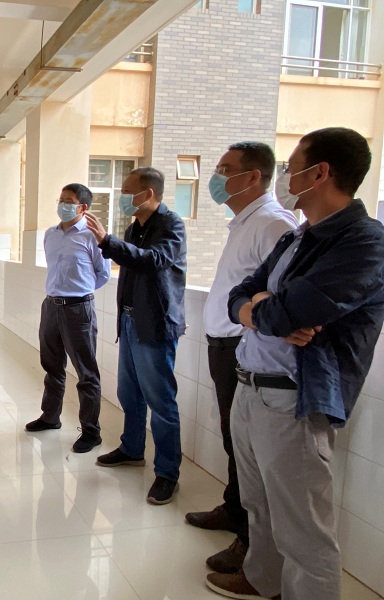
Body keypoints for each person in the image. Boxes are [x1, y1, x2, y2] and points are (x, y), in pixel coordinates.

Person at [207, 128, 384, 600]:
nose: (285, 176)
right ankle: (263, 580)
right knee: (259, 506)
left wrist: (264, 309)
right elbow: (239, 295)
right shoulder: (298, 236)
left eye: (291, 166)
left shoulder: (364, 242)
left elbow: (289, 313)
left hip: (293, 400)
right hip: (250, 387)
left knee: (304, 529)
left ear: (320, 173)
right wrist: (257, 308)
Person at [185, 143, 298, 574]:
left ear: (252, 177)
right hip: (225, 345)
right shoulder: (245, 223)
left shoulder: (273, 223)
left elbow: (281, 296)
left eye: (224, 169)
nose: (216, 177)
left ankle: (251, 541)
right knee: (233, 439)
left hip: (243, 349)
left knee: (248, 448)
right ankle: (234, 511)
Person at [85, 167, 187, 505]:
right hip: (129, 321)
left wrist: (108, 242)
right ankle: (132, 448)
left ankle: (167, 473)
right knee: (129, 393)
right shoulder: (134, 228)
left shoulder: (171, 225)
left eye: (128, 190)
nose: (123, 196)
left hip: (154, 324)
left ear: (148, 193)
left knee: (161, 400)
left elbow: (154, 260)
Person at [24, 183, 110, 453]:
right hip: (51, 306)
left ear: (83, 207)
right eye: (61, 200)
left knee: (86, 373)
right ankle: (50, 417)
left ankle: (91, 432)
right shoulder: (50, 234)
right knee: (52, 366)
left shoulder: (92, 236)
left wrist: (79, 293)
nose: (63, 205)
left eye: (69, 201)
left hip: (78, 310)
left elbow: (103, 274)